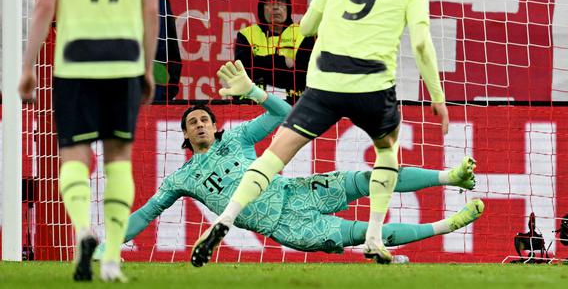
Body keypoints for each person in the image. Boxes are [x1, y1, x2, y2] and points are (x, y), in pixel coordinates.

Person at [191, 0, 482, 267]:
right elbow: (421, 44)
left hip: (325, 83)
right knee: (386, 155)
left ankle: (226, 218)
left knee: (274, 154)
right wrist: (437, 97)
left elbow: (307, 26)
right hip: (372, 86)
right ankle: (374, 236)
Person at [124, 62, 479, 257]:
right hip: (288, 227)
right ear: (185, 136)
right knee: (367, 234)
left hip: (296, 191)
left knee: (369, 177)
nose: (200, 124)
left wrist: (254, 91)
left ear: (215, 126)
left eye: (205, 119)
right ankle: (446, 226)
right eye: (193, 123)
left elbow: (283, 113)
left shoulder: (235, 137)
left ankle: (449, 177)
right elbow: (145, 213)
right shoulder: (181, 178)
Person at [18, 0, 165, 283]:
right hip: (123, 58)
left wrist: (27, 66)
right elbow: (150, 10)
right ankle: (112, 259)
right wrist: (147, 68)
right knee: (118, 157)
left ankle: (83, 229)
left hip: (76, 59)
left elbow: (44, 6)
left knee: (74, 155)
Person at [234, 0, 314, 100]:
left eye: (281, 1)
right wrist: (284, 62)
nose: (276, 7)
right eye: (270, 2)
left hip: (294, 104)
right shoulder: (246, 35)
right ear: (262, 8)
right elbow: (244, 72)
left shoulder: (303, 33)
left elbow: (304, 76)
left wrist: (260, 67)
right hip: (253, 102)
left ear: (287, 7)